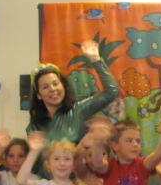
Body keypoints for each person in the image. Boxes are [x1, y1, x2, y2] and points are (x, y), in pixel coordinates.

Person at [27, 40, 118, 175]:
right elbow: (35, 166)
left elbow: (111, 92)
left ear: (63, 85)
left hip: (78, 180)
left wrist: (96, 60)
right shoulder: (34, 125)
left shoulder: (78, 110)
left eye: (55, 83)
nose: (53, 89)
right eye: (45, 87)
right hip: (47, 184)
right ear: (39, 95)